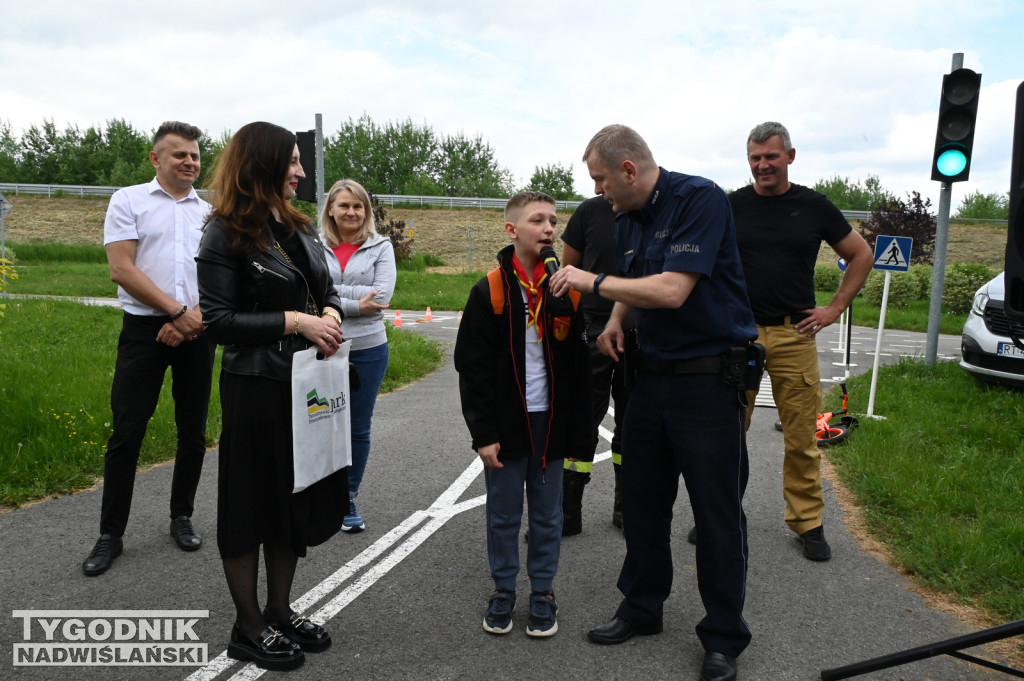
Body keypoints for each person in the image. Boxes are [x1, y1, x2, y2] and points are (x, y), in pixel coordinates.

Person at [550, 124, 757, 681]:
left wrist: (592, 285)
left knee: (715, 513)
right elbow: (634, 281)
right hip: (650, 377)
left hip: (708, 381)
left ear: (628, 170)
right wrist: (617, 321)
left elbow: (671, 289)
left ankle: (723, 635)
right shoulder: (625, 217)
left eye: (600, 179)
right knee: (641, 503)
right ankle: (642, 607)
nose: (598, 192)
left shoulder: (700, 199)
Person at [196, 121, 345, 672]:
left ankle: (280, 611)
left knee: (291, 501)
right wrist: (297, 322)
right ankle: (248, 624)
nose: (302, 172)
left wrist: (327, 313)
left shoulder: (298, 225)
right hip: (255, 388)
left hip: (303, 384)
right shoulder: (224, 233)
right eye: (292, 162)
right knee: (247, 506)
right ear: (261, 164)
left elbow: (324, 289)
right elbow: (218, 322)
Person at [727, 121, 872, 561]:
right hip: (740, 334)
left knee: (800, 437)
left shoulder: (813, 206)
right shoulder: (730, 205)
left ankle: (807, 522)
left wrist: (833, 310)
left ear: (790, 156)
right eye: (755, 157)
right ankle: (722, 515)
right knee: (728, 433)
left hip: (795, 333)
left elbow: (860, 255)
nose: (762, 165)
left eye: (771, 156)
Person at [454, 191, 591, 638]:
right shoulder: (491, 290)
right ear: (512, 230)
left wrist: (579, 435)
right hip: (507, 424)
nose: (550, 229)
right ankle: (504, 589)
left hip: (549, 422)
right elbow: (472, 369)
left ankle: (544, 592)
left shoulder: (566, 291)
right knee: (504, 513)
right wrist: (484, 433)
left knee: (548, 515)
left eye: (553, 221)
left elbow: (578, 371)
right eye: (538, 220)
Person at [82, 121, 216, 577]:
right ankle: (110, 534)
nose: (190, 162)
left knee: (192, 430)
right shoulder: (129, 200)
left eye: (195, 155)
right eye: (179, 154)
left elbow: (220, 276)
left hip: (197, 331)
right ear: (156, 159)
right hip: (144, 331)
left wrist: (190, 320)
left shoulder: (210, 212)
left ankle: (182, 516)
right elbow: (122, 269)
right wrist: (177, 311)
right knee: (127, 433)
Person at [319, 179, 395, 533]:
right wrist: (353, 302)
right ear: (330, 209)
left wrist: (332, 298)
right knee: (319, 423)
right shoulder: (313, 244)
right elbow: (305, 291)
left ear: (366, 211)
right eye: (344, 205)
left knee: (357, 428)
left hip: (367, 348)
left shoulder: (382, 246)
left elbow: (381, 296)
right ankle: (317, 496)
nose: (351, 212)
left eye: (358, 206)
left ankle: (347, 497)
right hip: (320, 346)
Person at [559, 195, 634, 534]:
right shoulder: (589, 212)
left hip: (639, 332)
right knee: (582, 420)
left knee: (633, 424)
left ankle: (626, 508)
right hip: (591, 328)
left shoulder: (651, 210)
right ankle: (568, 512)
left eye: (604, 177)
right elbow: (568, 272)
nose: (601, 186)